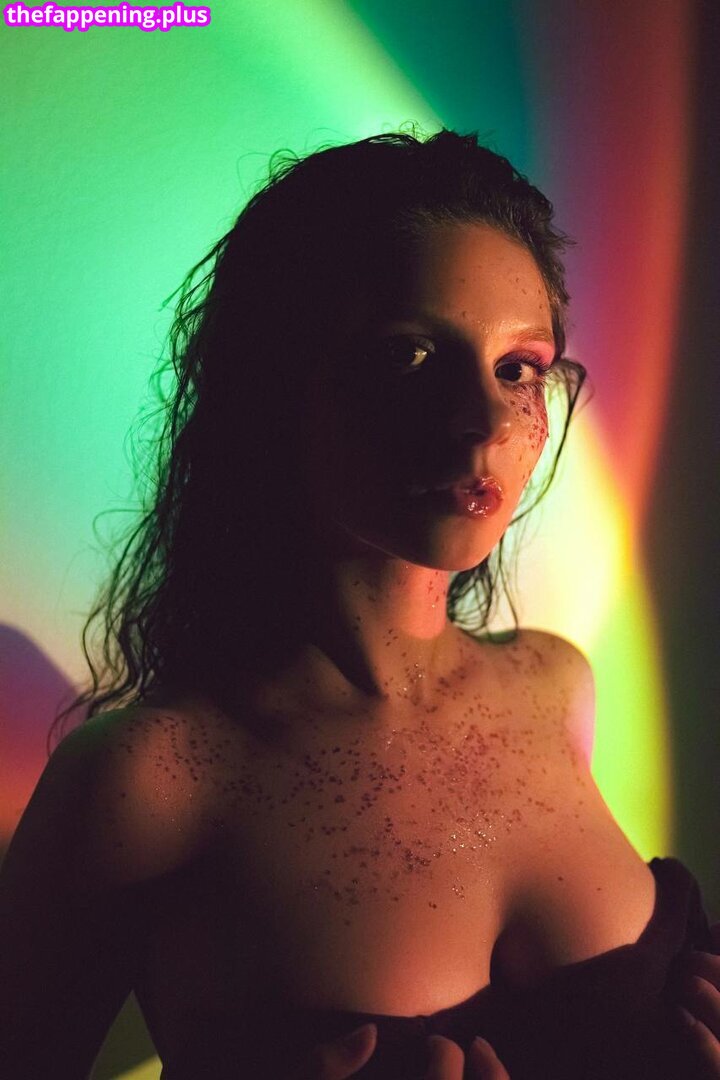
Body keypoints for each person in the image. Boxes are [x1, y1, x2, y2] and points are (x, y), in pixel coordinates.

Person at [1, 128, 718, 1080]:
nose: (485, 420)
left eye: (518, 368)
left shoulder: (557, 687)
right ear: (273, 385)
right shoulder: (150, 784)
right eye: (410, 354)